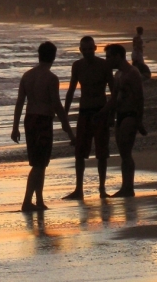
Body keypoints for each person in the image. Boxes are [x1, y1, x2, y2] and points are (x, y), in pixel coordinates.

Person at [11, 41, 75, 212]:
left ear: (39, 55)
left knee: (40, 162)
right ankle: (26, 201)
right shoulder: (51, 78)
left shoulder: (27, 75)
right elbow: (56, 105)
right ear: (53, 56)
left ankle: (38, 200)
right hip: (43, 121)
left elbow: (19, 103)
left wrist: (15, 127)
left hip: (29, 119)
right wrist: (67, 128)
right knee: (39, 164)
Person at [62, 36, 114, 200]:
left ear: (95, 48)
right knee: (79, 152)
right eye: (84, 49)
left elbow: (114, 92)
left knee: (102, 153)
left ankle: (102, 189)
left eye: (90, 49)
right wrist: (65, 112)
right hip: (84, 111)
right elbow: (71, 90)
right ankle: (78, 189)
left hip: (100, 111)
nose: (87, 52)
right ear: (80, 50)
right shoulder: (77, 66)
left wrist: (110, 113)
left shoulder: (104, 66)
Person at [101, 44, 147, 197]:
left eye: (109, 57)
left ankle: (129, 187)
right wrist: (108, 115)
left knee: (126, 152)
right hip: (120, 115)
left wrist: (139, 120)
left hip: (130, 114)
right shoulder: (118, 75)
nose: (107, 60)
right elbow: (114, 98)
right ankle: (125, 186)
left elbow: (140, 97)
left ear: (118, 56)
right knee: (122, 152)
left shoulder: (132, 73)